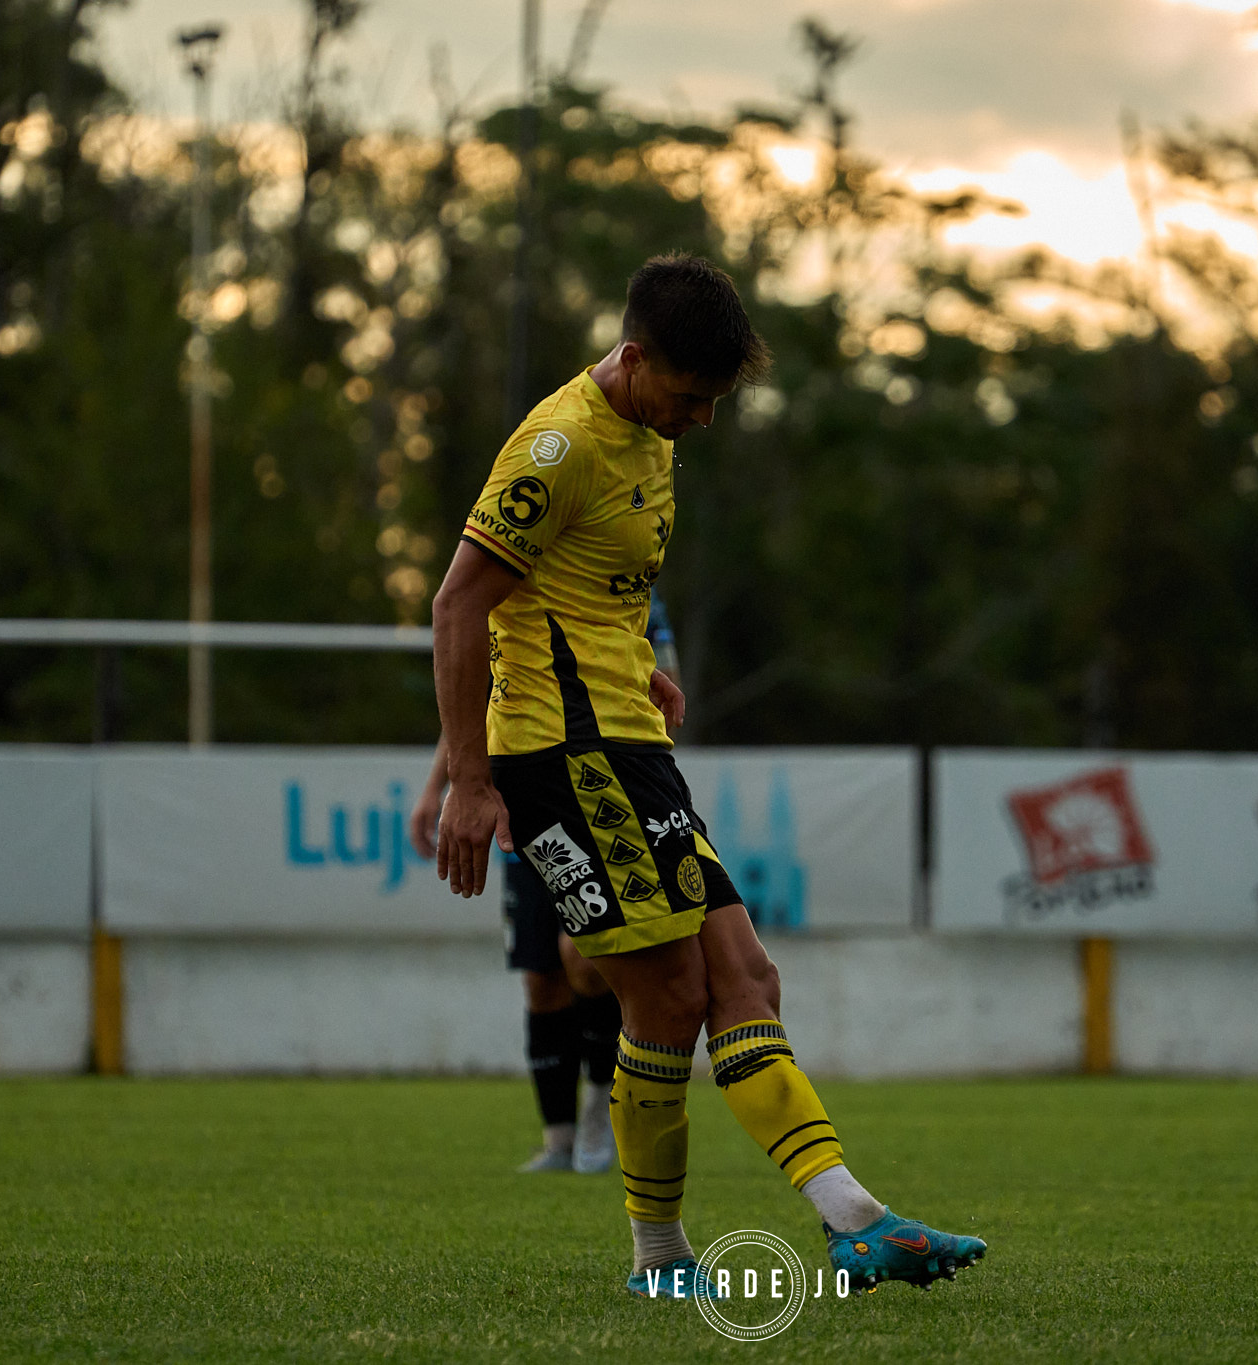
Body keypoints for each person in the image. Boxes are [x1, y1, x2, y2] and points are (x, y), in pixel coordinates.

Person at [430, 254, 986, 1300]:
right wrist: (468, 781)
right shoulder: (557, 447)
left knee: (747, 982)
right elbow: (459, 605)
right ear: (633, 360)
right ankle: (661, 1259)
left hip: (628, 739)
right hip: (563, 752)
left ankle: (855, 1224)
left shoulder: (647, 426)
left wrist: (638, 662)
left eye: (715, 400)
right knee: (670, 998)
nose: (702, 422)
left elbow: (582, 583)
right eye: (689, 398)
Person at [410, 599, 681, 1176]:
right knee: (540, 974)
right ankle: (557, 1140)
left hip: (587, 785)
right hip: (517, 794)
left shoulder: (624, 591)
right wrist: (439, 786)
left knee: (583, 955)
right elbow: (476, 696)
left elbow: (665, 681)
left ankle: (597, 1115)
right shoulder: (504, 585)